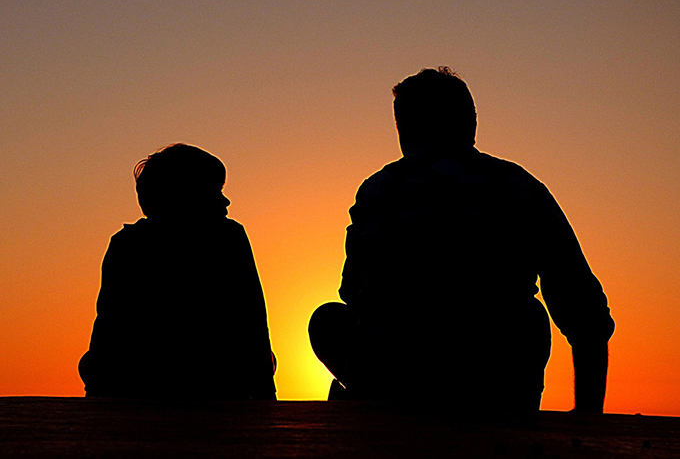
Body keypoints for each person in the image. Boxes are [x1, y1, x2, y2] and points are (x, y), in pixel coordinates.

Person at [308, 67, 615, 412]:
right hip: (496, 386)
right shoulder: (519, 187)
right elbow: (585, 312)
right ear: (471, 124)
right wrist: (589, 418)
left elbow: (352, 291)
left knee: (328, 320)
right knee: (531, 314)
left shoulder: (378, 190)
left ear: (404, 129)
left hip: (393, 386)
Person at [79, 143, 276, 400]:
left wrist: (98, 392)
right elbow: (252, 324)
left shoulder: (126, 242)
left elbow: (108, 326)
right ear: (188, 194)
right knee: (268, 360)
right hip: (213, 380)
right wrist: (265, 398)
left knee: (90, 362)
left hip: (138, 380)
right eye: (215, 190)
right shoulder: (227, 236)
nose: (225, 200)